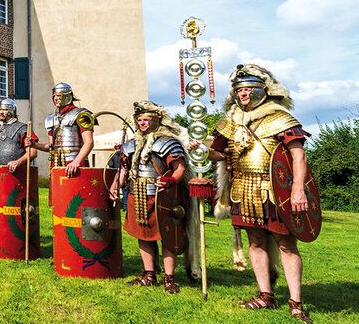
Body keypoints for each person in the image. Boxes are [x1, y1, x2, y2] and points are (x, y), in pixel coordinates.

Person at [193, 64, 313, 322]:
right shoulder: (230, 121)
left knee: (286, 245)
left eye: (248, 89)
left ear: (262, 90)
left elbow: (298, 155)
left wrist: (297, 190)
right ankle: (265, 295)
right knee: (255, 243)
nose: (243, 94)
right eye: (239, 90)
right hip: (242, 190)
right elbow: (218, 153)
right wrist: (201, 149)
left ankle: (296, 302)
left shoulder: (279, 117)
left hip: (275, 190)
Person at [110, 101, 187, 293]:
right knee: (142, 235)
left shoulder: (168, 142)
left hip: (162, 198)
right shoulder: (130, 145)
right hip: (136, 195)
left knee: (167, 237)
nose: (142, 123)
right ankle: (149, 274)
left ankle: (169, 278)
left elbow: (179, 169)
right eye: (140, 120)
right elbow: (124, 171)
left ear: (157, 120)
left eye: (147, 119)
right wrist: (114, 186)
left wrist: (169, 181)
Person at [29, 82, 96, 204]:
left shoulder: (81, 114)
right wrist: (35, 145)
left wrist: (76, 162)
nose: (56, 98)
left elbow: (89, 142)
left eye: (59, 95)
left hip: (74, 162)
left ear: (68, 96)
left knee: (76, 199)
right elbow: (51, 147)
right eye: (54, 96)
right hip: (56, 162)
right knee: (59, 201)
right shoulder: (51, 118)